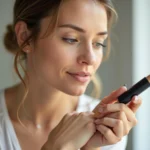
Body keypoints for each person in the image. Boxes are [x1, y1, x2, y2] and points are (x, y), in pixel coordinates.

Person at [0, 0, 142, 150]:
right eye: (71, 39)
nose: (90, 59)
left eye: (98, 43)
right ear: (24, 36)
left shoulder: (107, 132)